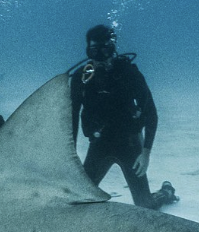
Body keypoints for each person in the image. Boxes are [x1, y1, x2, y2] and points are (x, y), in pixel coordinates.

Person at [69, 24, 178, 209]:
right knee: (79, 200)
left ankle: (165, 193)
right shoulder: (82, 77)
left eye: (106, 49)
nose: (101, 57)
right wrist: (70, 154)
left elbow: (151, 113)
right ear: (88, 50)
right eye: (95, 50)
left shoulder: (129, 73)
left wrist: (146, 153)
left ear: (113, 49)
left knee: (145, 206)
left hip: (129, 144)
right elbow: (72, 115)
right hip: (98, 144)